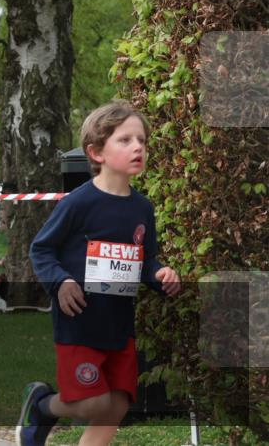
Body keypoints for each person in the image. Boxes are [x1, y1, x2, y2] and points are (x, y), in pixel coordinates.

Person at [17, 101, 181, 446]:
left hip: (119, 327)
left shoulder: (142, 208)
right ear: (96, 152)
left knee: (117, 405)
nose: (138, 147)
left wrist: (161, 273)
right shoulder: (78, 202)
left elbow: (144, 261)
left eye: (142, 141)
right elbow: (41, 248)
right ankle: (43, 405)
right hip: (80, 323)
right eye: (125, 140)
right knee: (93, 403)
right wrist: (60, 282)